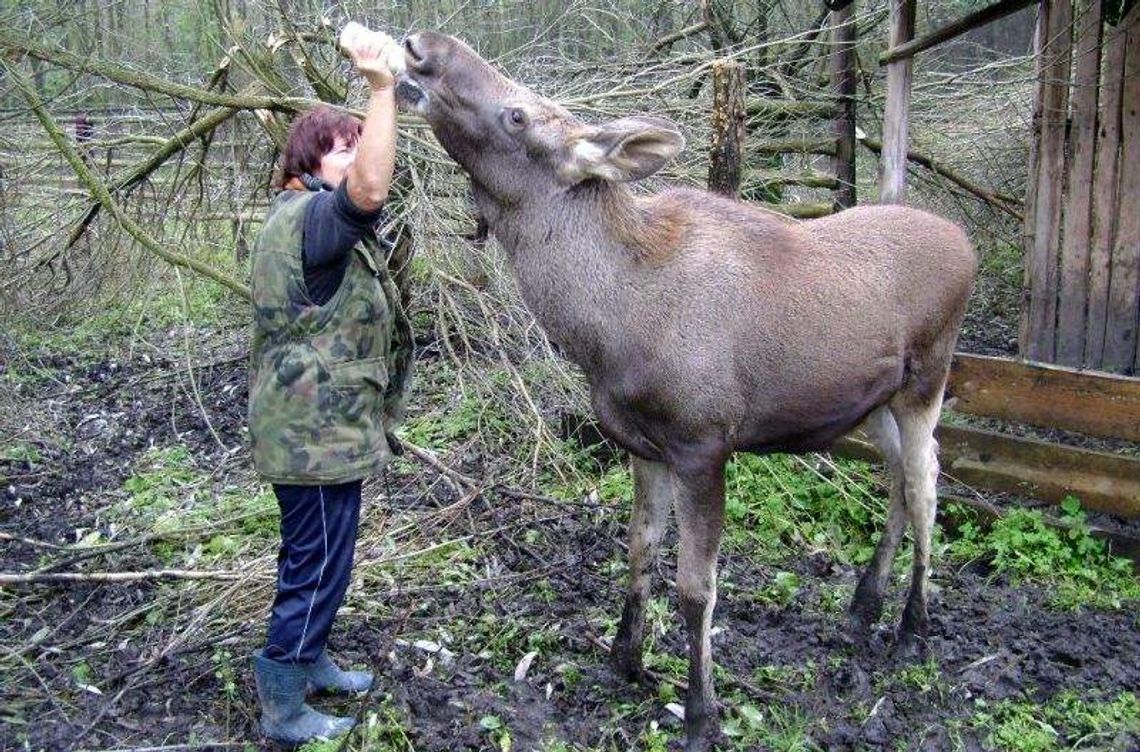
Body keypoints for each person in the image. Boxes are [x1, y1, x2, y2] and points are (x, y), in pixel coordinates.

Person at [246, 27, 412, 745]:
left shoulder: (301, 221)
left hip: (319, 434)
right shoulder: (314, 221)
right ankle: (283, 704)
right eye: (344, 148)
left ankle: (310, 658)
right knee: (314, 569)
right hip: (311, 440)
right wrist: (381, 88)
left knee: (317, 561)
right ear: (309, 164)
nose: (358, 159)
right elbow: (368, 191)